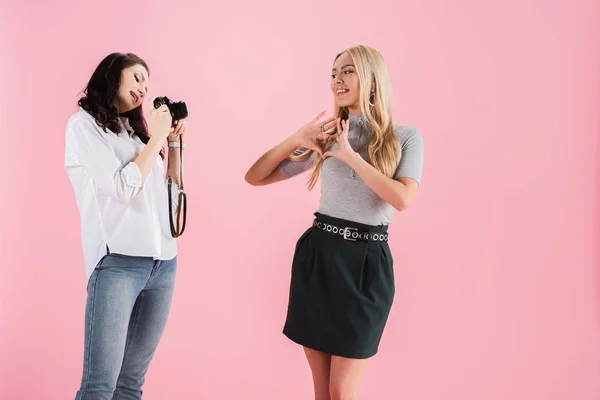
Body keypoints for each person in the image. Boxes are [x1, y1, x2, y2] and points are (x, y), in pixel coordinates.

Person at [245, 44, 424, 400]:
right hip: (320, 257)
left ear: (371, 78)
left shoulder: (404, 137)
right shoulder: (327, 136)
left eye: (346, 71)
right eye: (332, 73)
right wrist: (297, 139)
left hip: (366, 266)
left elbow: (402, 199)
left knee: (342, 391)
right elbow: (255, 176)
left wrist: (351, 156)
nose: (336, 80)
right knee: (323, 392)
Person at [64, 52, 188, 400]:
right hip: (117, 264)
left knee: (130, 386)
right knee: (100, 387)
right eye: (136, 78)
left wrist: (173, 144)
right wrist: (156, 141)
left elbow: (173, 205)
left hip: (163, 265)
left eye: (146, 83)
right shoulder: (83, 126)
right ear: (111, 77)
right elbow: (119, 188)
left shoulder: (135, 136)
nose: (143, 88)